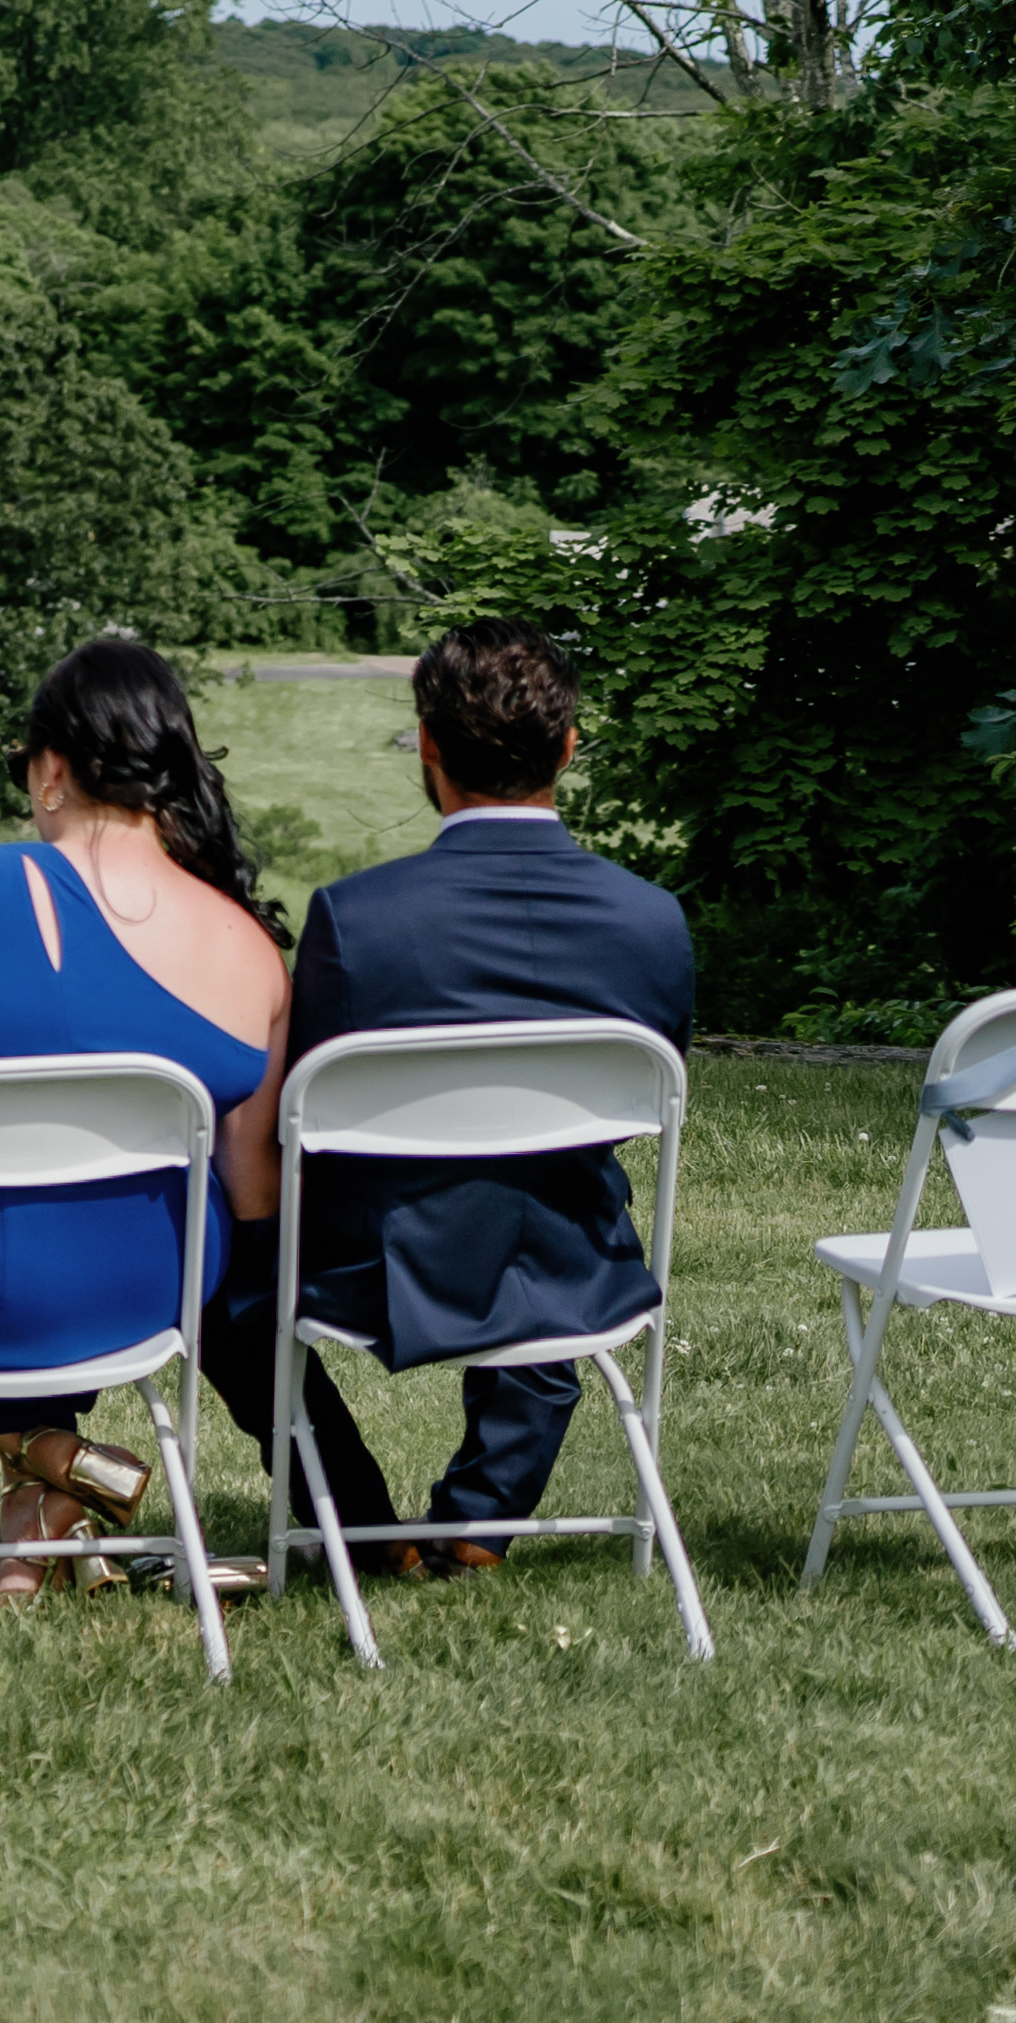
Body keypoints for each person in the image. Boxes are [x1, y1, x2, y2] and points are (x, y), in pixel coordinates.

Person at [213, 622, 696, 1575]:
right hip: (579, 1265)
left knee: (223, 1287)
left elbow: (306, 1116)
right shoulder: (654, 918)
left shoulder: (360, 917)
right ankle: (480, 1512)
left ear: (427, 745)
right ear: (568, 744)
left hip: (380, 1269)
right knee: (540, 1193)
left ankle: (351, 1516)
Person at [0, 635, 287, 1603]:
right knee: (57, 1218)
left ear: (50, 772)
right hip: (148, 1296)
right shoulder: (252, 954)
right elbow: (251, 1198)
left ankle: (50, 1454)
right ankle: (33, 1533)